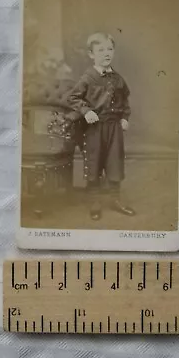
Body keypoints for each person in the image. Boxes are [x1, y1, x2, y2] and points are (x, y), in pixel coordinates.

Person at [68, 32, 135, 220]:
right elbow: (73, 98)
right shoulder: (88, 78)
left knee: (114, 162)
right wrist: (86, 111)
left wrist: (125, 117)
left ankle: (116, 200)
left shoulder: (118, 79)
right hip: (94, 129)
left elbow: (124, 101)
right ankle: (95, 202)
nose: (107, 54)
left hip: (114, 128)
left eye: (110, 49)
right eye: (101, 50)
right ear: (91, 54)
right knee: (94, 163)